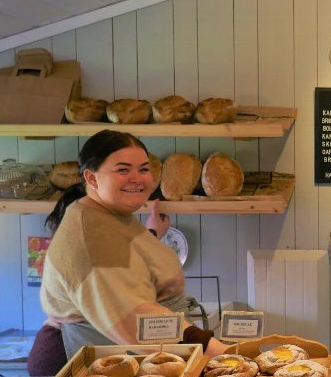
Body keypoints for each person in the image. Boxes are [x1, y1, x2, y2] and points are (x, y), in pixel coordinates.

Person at [41, 130, 226, 359]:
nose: (137, 178)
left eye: (144, 169)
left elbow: (125, 257)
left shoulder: (106, 215)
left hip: (125, 349)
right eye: (123, 170)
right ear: (91, 178)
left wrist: (151, 234)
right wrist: (212, 349)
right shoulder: (92, 236)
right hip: (97, 357)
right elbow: (137, 317)